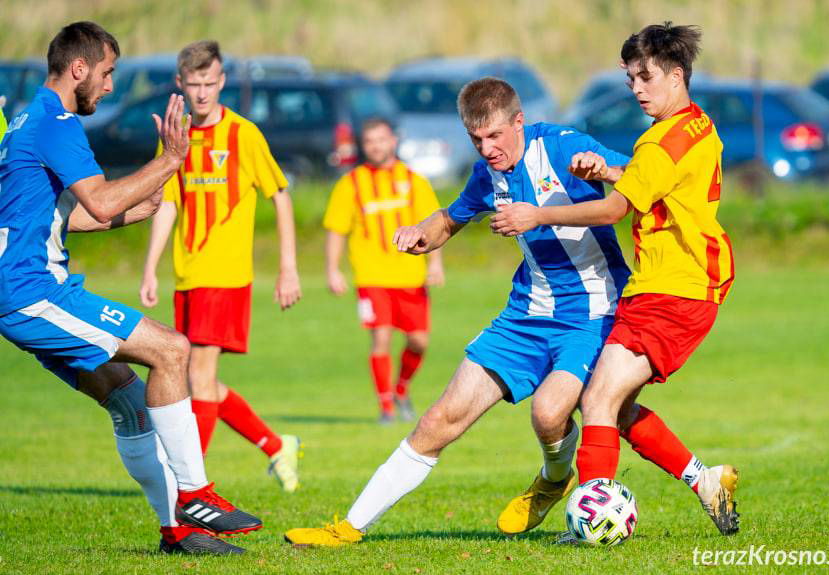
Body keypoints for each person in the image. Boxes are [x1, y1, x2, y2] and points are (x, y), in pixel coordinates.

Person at [283, 77, 634, 546]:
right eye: (476, 139)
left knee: (549, 414)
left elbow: (624, 199)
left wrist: (548, 208)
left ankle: (553, 479)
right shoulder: (486, 172)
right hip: (526, 313)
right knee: (438, 420)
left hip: (592, 311)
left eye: (494, 136)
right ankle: (349, 528)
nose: (487, 149)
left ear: (518, 122)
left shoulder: (564, 147)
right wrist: (422, 233)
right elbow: (452, 217)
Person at [0, 21, 260, 555]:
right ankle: (196, 495)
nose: (111, 85)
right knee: (172, 348)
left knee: (132, 405)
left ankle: (178, 533)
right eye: (108, 72)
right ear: (80, 69)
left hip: (21, 290)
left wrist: (136, 208)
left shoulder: (25, 119)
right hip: (34, 293)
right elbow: (98, 199)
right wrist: (169, 161)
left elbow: (58, 217)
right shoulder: (56, 122)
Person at [489, 22, 739, 535]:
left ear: (676, 75)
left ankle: (592, 519)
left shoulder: (656, 145)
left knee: (597, 399)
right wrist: (606, 169)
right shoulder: (696, 125)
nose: (638, 89)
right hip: (685, 283)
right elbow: (656, 179)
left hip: (672, 289)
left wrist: (538, 216)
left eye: (646, 77)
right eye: (630, 80)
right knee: (617, 407)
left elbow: (612, 213)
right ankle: (705, 480)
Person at [139, 41, 303, 492]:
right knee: (202, 383)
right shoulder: (176, 134)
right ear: (180, 84)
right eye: (194, 84)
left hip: (226, 276)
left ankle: (191, 483)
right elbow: (168, 203)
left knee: (198, 377)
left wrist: (288, 267)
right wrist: (151, 266)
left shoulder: (243, 134)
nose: (203, 92)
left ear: (222, 81)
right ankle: (275, 445)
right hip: (187, 275)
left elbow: (280, 195)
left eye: (210, 83)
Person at [323, 118, 443, 423]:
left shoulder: (415, 181)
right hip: (371, 276)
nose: (376, 146)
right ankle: (386, 406)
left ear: (394, 140)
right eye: (370, 141)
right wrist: (333, 269)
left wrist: (436, 264)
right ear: (364, 146)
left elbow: (435, 225)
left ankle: (401, 389)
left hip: (411, 276)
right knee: (381, 338)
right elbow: (336, 229)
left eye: (381, 139)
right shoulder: (351, 183)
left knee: (419, 341)